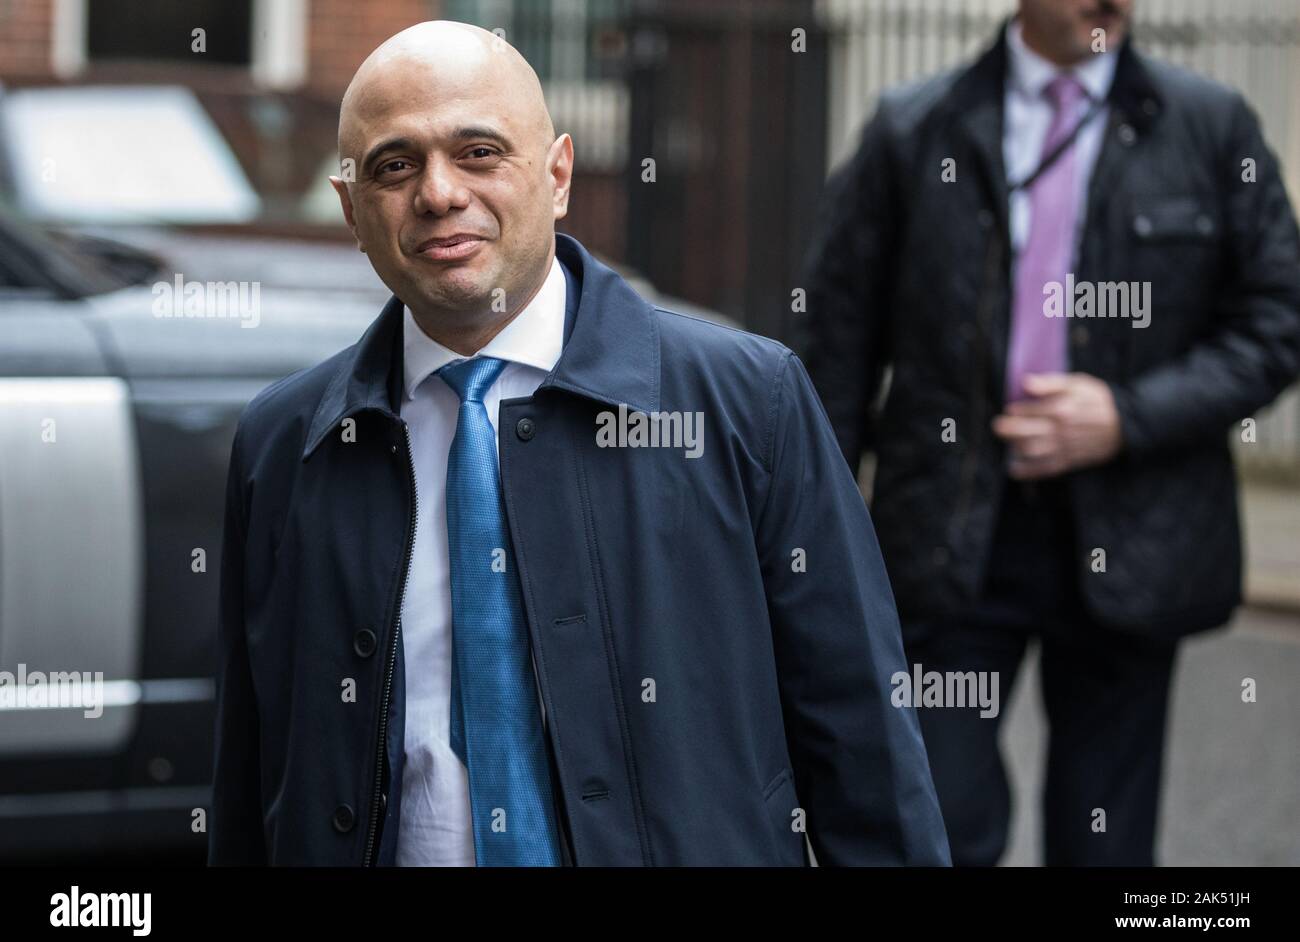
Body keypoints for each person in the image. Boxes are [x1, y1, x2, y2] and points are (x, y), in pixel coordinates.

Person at [208, 20, 950, 866]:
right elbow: (247, 782)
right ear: (351, 208)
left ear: (558, 175)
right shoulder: (285, 445)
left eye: (480, 151)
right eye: (394, 164)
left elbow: (864, 749)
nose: (439, 193)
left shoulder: (747, 402)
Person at [798, 0, 1300, 865]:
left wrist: (1128, 416)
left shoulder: (1210, 127)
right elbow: (832, 349)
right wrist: (814, 538)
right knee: (937, 824)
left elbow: (1277, 320)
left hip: (1135, 534)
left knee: (1104, 839)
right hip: (948, 534)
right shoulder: (916, 129)